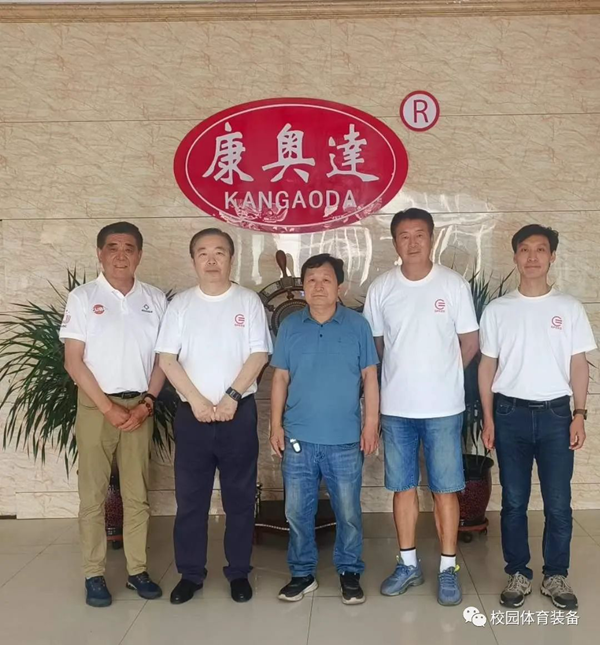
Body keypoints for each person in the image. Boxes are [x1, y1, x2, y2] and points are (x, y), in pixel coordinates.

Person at [363, 208, 479, 606]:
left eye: (419, 235)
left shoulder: (452, 285)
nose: (412, 242)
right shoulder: (382, 288)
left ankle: (448, 568)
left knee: (445, 489)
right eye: (404, 236)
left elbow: (469, 341)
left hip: (444, 408)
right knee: (403, 487)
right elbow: (377, 345)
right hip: (397, 408)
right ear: (395, 242)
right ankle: (408, 564)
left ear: (432, 238)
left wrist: (443, 374)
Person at [478, 224, 596, 610]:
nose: (532, 257)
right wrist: (488, 418)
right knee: (513, 501)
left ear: (552, 257)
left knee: (558, 502)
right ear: (515, 256)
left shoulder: (568, 308)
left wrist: (579, 414)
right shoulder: (498, 310)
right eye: (525, 249)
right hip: (509, 413)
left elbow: (579, 364)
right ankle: (518, 573)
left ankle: (555, 575)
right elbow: (487, 366)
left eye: (540, 250)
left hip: (556, 415)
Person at [156, 228, 272, 605]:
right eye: (203, 253)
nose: (211, 260)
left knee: (240, 498)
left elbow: (259, 354)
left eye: (219, 252)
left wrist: (232, 397)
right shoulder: (181, 305)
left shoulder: (248, 301)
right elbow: (167, 359)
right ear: (193, 260)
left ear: (231, 259)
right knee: (191, 500)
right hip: (193, 416)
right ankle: (190, 574)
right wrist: (196, 401)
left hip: (238, 414)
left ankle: (238, 572)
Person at [61, 221, 167, 607]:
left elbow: (164, 359)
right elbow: (73, 361)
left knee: (137, 493)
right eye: (112, 247)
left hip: (140, 406)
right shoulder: (83, 297)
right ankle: (94, 574)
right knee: (92, 496)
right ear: (99, 253)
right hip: (96, 405)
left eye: (128, 248)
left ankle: (138, 570)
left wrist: (147, 403)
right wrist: (107, 408)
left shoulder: (155, 299)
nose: (121, 255)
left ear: (139, 254)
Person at [270, 254, 379, 605]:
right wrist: (275, 425)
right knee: (297, 512)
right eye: (311, 280)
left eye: (326, 279)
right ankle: (302, 573)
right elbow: (280, 377)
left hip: (345, 439)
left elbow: (370, 377)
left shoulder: (357, 326)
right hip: (299, 437)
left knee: (348, 512)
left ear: (340, 287)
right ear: (303, 286)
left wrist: (371, 424)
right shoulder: (291, 326)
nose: (318, 286)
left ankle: (349, 571)